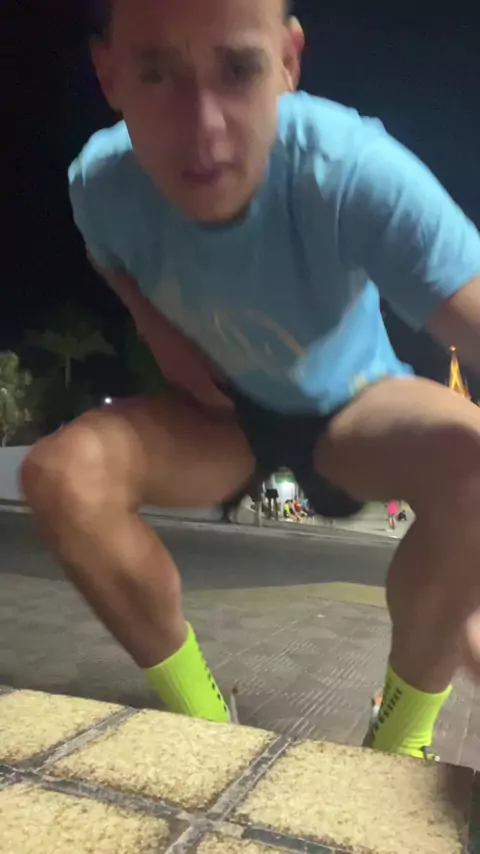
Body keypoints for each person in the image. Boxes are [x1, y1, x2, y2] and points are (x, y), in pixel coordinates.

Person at [21, 0, 480, 764]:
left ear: (288, 61)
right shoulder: (99, 182)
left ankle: (399, 740)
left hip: (353, 411)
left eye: (238, 69)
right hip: (223, 418)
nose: (205, 131)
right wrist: (159, 334)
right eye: (158, 73)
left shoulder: (352, 168)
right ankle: (205, 725)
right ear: (109, 75)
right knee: (60, 477)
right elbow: (115, 263)